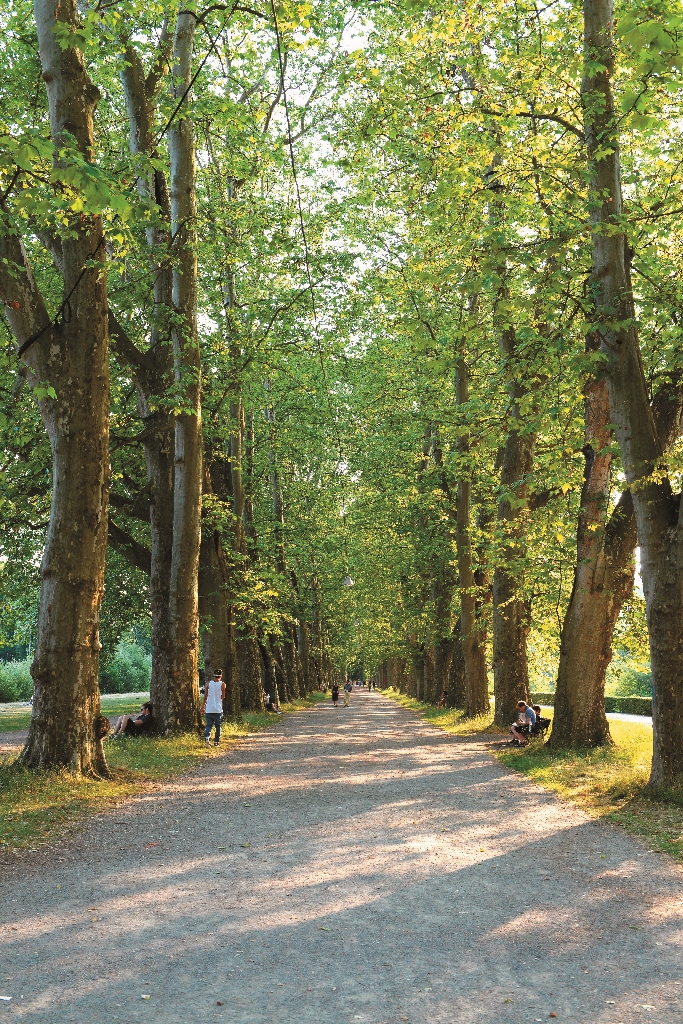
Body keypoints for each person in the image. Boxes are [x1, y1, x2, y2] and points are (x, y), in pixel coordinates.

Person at [202, 668, 226, 746]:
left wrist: (202, 707)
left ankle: (207, 737)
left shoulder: (208, 684)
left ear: (214, 675)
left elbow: (205, 697)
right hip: (218, 709)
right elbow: (223, 696)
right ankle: (216, 742)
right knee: (218, 726)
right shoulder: (222, 684)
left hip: (209, 708)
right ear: (221, 676)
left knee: (209, 725)